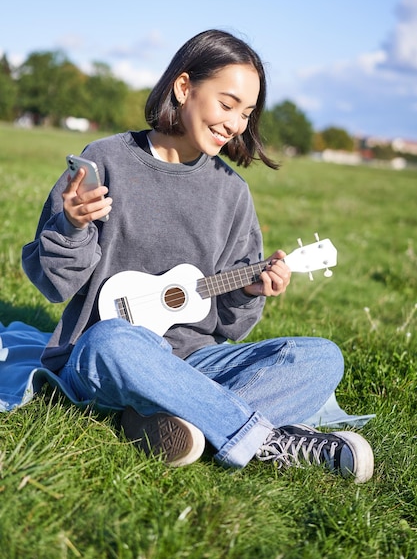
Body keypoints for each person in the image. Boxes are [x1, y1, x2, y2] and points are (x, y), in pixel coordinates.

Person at [22, 29, 374, 483]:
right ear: (184, 87)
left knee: (323, 358)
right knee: (114, 340)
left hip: (194, 362)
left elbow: (230, 327)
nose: (236, 125)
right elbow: (54, 285)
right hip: (105, 355)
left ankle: (173, 419)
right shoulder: (105, 160)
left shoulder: (232, 193)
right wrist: (71, 226)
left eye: (246, 113)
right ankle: (267, 441)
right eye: (227, 105)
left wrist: (249, 292)